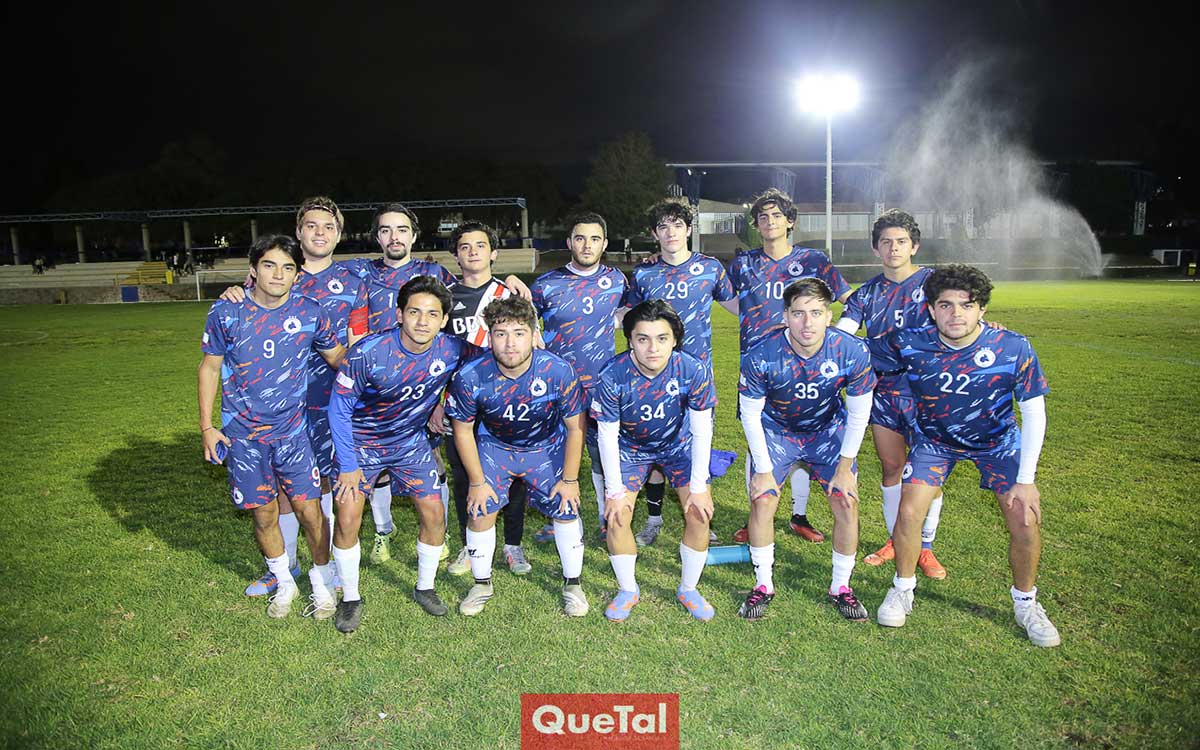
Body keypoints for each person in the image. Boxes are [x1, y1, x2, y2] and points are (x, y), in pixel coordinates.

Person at [873, 265, 1060, 647]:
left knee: (1024, 519)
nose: (956, 314)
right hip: (935, 442)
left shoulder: (1013, 347)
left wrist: (1026, 480)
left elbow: (1034, 412)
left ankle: (1026, 604)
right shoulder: (909, 342)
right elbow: (852, 351)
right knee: (909, 511)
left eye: (967, 305)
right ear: (931, 309)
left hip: (997, 443)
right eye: (946, 305)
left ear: (982, 309)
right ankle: (902, 589)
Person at [222, 197, 369, 597]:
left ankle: (329, 565)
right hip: (278, 407)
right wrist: (234, 290)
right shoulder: (278, 271)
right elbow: (244, 313)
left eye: (329, 226)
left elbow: (357, 343)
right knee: (282, 489)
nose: (320, 233)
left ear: (339, 234)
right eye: (312, 226)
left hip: (333, 402)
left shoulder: (354, 281)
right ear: (299, 231)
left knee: (325, 485)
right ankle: (284, 566)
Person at [197, 234, 345, 619]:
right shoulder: (226, 312)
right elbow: (209, 368)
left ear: (297, 275)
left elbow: (338, 359)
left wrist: (384, 371)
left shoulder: (311, 312)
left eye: (287, 267)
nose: (278, 274)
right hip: (244, 437)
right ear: (253, 270)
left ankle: (322, 582)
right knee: (263, 514)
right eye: (269, 265)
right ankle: (284, 582)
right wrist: (207, 427)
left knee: (310, 512)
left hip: (293, 434)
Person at [327, 276, 478, 633]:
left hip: (410, 442)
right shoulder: (367, 353)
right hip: (362, 443)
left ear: (444, 320)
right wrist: (348, 464)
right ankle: (350, 597)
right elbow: (339, 409)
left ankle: (425, 586)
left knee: (434, 514)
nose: (423, 321)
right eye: (414, 312)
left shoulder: (453, 349)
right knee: (347, 518)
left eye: (432, 314)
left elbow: (498, 358)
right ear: (399, 314)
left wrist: (442, 403)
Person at [737, 278, 875, 621]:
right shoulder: (760, 353)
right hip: (776, 430)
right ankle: (763, 584)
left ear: (829, 316)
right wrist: (763, 471)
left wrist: (845, 467)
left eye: (816, 313)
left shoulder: (851, 350)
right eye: (798, 313)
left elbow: (860, 413)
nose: (807, 322)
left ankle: (841, 586)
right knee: (763, 498)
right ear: (785, 316)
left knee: (846, 499)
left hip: (826, 430)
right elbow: (750, 415)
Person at [446, 297, 588, 616]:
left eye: (519, 333)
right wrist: (477, 482)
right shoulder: (470, 375)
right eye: (501, 333)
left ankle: (573, 584)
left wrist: (569, 480)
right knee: (479, 508)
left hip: (545, 446)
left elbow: (575, 428)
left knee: (566, 505)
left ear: (534, 335)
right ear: (489, 336)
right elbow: (463, 431)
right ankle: (481, 584)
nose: (510, 343)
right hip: (495, 446)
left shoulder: (558, 371)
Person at [730, 189, 853, 546]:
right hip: (760, 370)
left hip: (808, 369)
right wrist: (749, 318)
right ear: (756, 225)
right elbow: (723, 296)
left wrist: (838, 334)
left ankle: (799, 516)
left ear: (790, 221)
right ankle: (756, 516)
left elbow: (852, 300)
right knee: (760, 441)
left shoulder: (814, 260)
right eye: (763, 217)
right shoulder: (743, 264)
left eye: (777, 216)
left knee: (803, 440)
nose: (770, 222)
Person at [834, 209, 948, 579]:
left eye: (901, 241)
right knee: (891, 467)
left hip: (926, 390)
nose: (893, 248)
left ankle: (924, 546)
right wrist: (820, 342)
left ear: (914, 246)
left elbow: (960, 317)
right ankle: (896, 540)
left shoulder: (934, 283)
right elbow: (844, 332)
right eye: (886, 242)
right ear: (875, 249)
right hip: (883, 391)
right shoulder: (867, 293)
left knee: (927, 472)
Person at [593, 300, 717, 622]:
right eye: (643, 339)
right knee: (617, 516)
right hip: (630, 447)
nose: (653, 348)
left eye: (662, 338)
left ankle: (688, 588)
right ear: (630, 340)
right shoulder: (611, 375)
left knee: (699, 512)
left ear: (675, 340)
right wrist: (614, 492)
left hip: (678, 444)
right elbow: (607, 435)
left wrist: (699, 487)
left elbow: (702, 430)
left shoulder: (693, 369)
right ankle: (628, 589)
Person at [626, 199, 736, 547]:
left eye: (677, 225)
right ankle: (654, 519)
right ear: (654, 233)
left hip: (697, 378)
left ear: (689, 229)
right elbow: (625, 316)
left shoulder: (711, 268)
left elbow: (738, 307)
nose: (670, 232)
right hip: (652, 378)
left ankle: (701, 517)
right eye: (663, 226)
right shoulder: (644, 274)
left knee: (698, 448)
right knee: (655, 449)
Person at [440, 221, 532, 577]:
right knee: (464, 473)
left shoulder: (510, 295)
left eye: (480, 245)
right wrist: (438, 402)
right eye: (465, 246)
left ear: (493, 253)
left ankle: (513, 544)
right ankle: (470, 542)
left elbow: (529, 346)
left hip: (507, 400)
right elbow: (439, 354)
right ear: (456, 254)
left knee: (515, 472)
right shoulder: (446, 298)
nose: (473, 252)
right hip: (461, 401)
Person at [530, 212, 627, 541]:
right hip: (558, 387)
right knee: (555, 453)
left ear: (605, 244)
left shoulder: (617, 280)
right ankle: (557, 515)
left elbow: (630, 312)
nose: (587, 245)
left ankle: (605, 515)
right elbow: (525, 317)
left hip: (602, 386)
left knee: (603, 455)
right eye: (580, 238)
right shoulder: (546, 284)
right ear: (569, 242)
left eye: (595, 239)